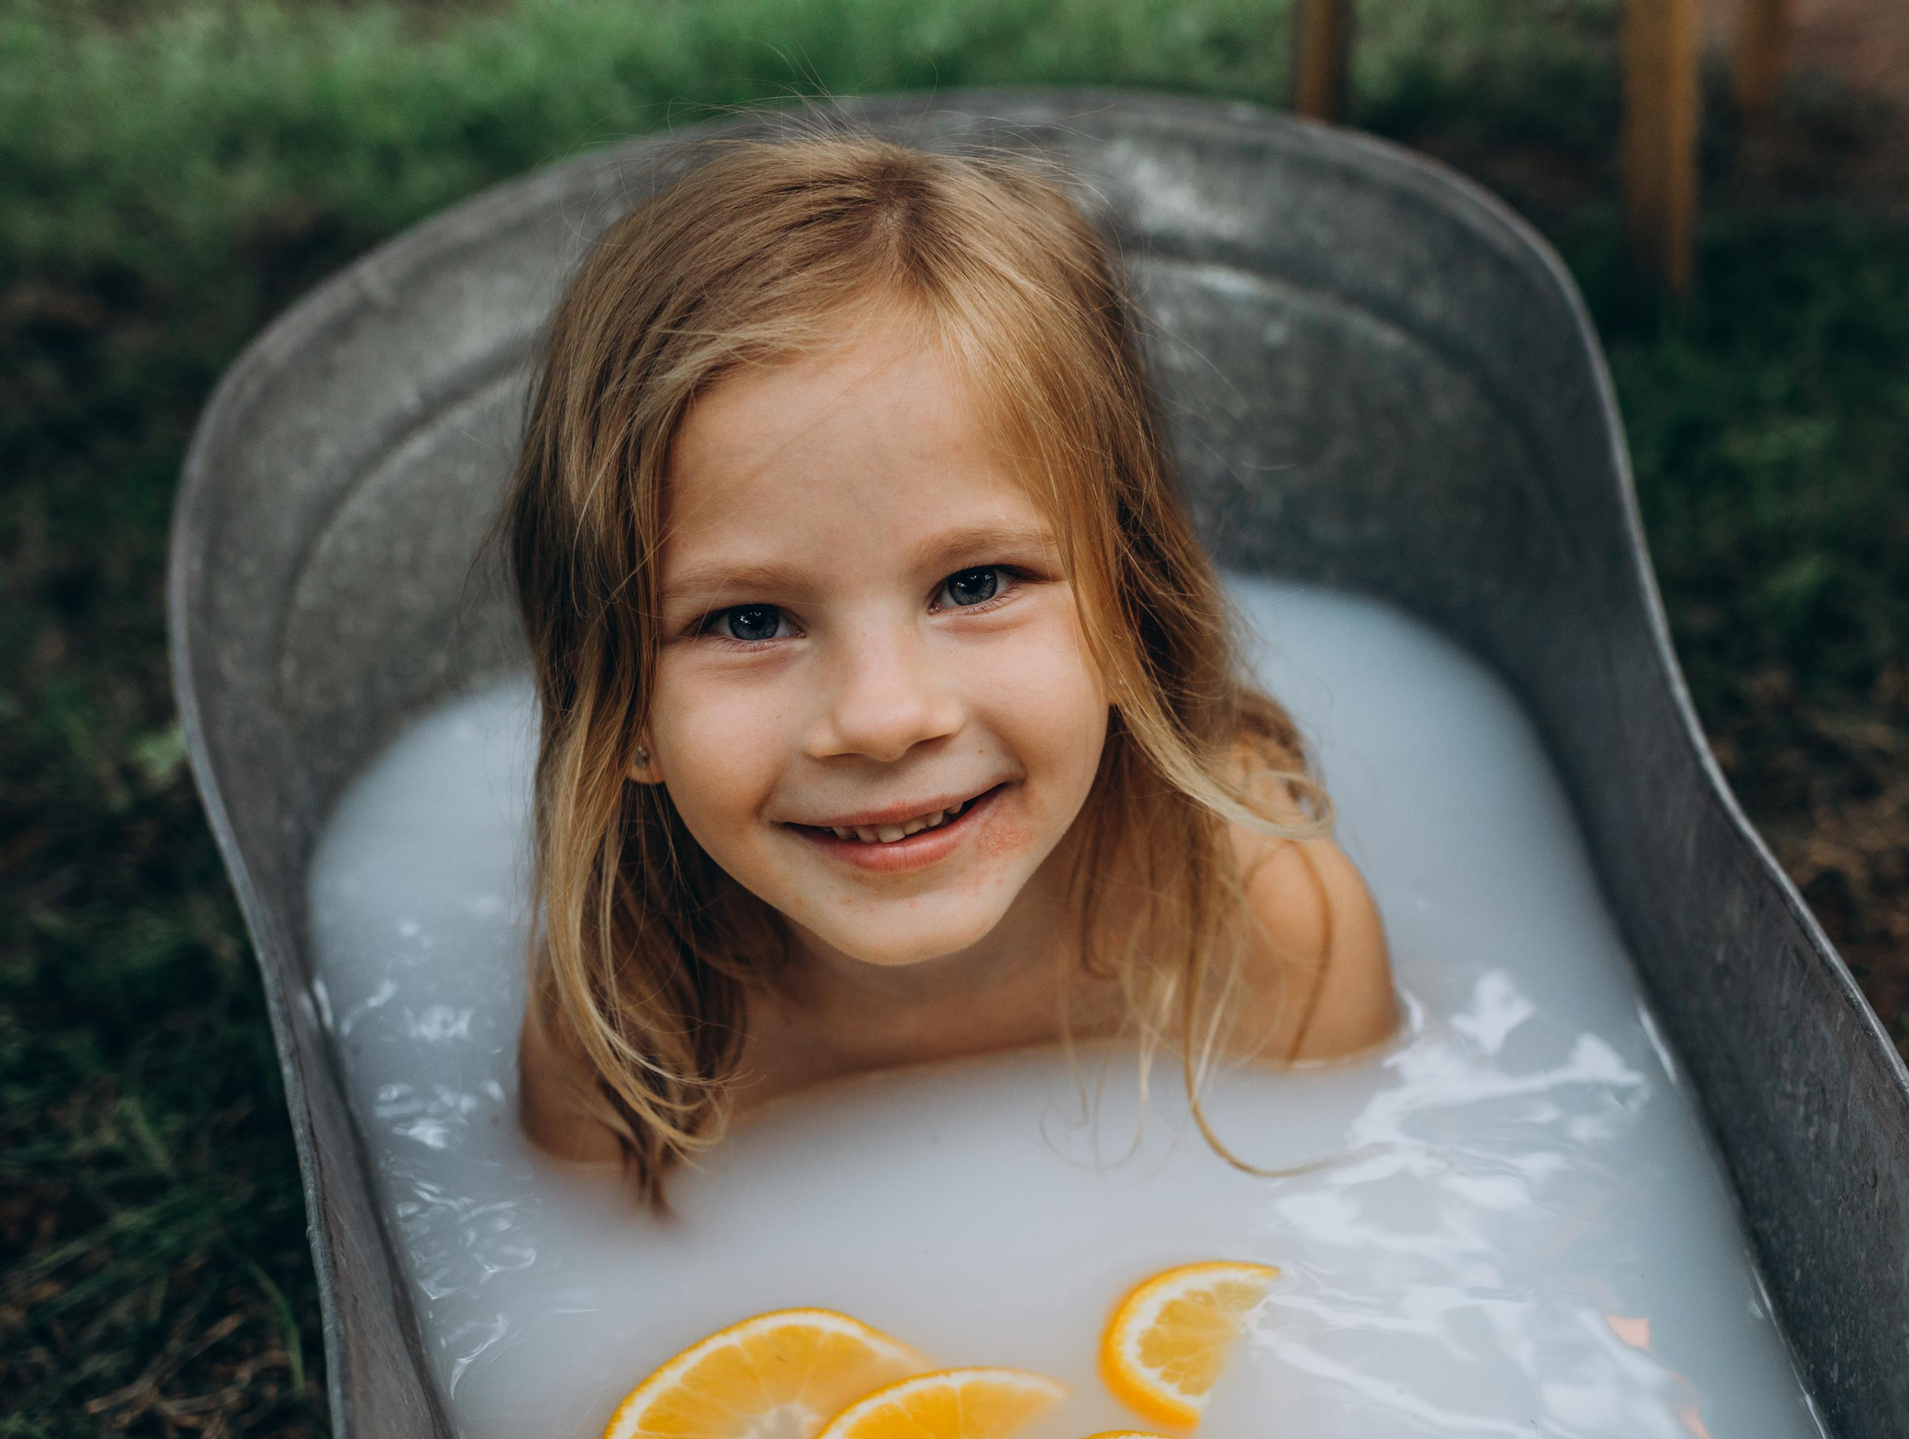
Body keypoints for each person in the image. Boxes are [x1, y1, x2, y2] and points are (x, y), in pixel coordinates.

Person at [504, 131, 1397, 1198]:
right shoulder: (628, 1034)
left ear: (1132, 615)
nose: (883, 718)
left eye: (974, 585)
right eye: (748, 620)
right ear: (621, 710)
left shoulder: (1273, 931)